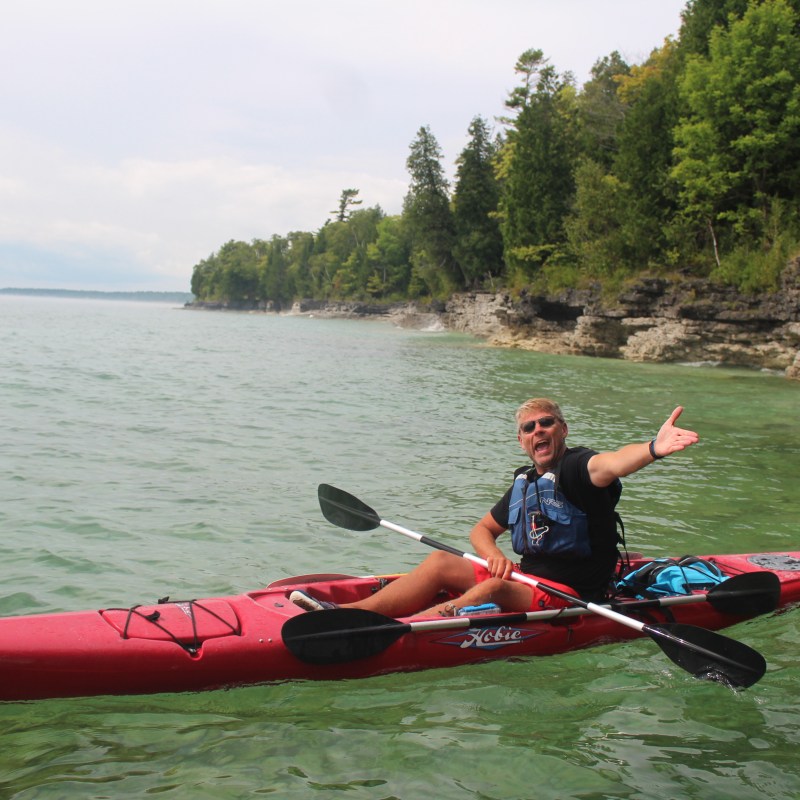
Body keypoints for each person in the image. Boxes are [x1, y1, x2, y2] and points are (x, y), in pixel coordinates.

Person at [291, 398, 699, 618]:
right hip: (527, 580)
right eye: (529, 427)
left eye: (547, 423)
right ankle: (344, 614)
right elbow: (481, 531)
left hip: (573, 595)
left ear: (563, 430)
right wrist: (493, 555)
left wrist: (652, 449)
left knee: (492, 587)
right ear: (522, 440)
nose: (538, 430)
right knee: (439, 562)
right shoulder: (526, 482)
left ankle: (404, 629)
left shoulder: (578, 467)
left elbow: (613, 461)